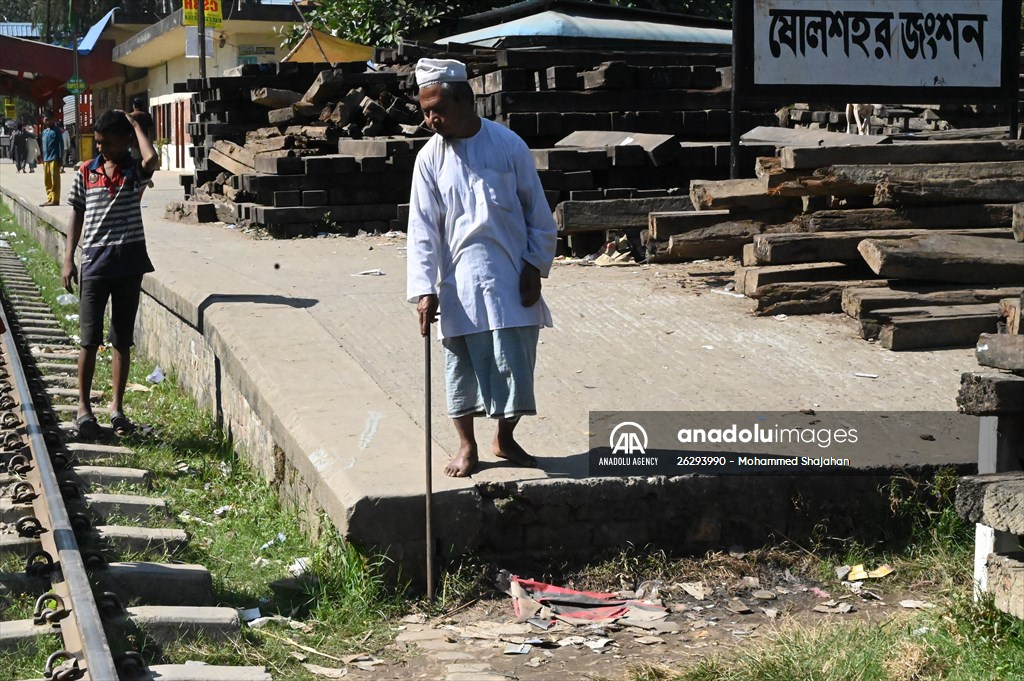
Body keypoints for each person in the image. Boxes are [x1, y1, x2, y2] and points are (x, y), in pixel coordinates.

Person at [406, 58, 558, 478]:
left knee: (515, 362)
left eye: (438, 108)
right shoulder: (429, 159)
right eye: (425, 111)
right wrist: (425, 288)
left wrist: (534, 266)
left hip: (511, 274)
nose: (432, 119)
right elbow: (422, 229)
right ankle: (467, 446)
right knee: (461, 367)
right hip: (458, 279)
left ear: (466, 101)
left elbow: (538, 214)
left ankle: (504, 439)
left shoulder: (508, 145)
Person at [61, 109, 159, 439]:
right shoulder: (86, 172)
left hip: (129, 264)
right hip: (95, 264)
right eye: (98, 142)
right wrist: (68, 258)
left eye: (107, 143)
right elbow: (76, 213)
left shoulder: (134, 171)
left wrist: (134, 125)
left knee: (121, 339)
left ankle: (117, 410)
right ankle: (84, 409)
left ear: (125, 141)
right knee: (89, 340)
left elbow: (152, 158)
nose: (101, 148)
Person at [40, 110, 65, 206]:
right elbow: (42, 145)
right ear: (43, 120)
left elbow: (61, 145)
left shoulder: (57, 131)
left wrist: (60, 158)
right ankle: (49, 198)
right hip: (46, 159)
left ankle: (55, 199)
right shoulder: (44, 132)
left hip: (54, 158)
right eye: (46, 120)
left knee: (55, 180)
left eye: (49, 120)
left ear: (53, 120)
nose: (47, 122)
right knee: (47, 180)